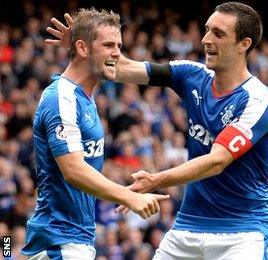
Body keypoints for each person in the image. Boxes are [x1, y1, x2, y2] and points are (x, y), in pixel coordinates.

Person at [47, 2, 268, 259]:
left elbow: (217, 161)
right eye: (207, 30)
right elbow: (122, 68)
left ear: (243, 44)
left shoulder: (257, 100)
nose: (205, 39)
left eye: (218, 34)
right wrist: (86, 49)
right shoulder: (192, 75)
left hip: (242, 232)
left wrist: (156, 180)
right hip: (188, 226)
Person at [22, 8, 169, 259]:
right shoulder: (62, 97)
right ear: (82, 48)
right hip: (60, 239)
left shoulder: (86, 96)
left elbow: (115, 63)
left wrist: (86, 46)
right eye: (109, 45)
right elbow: (74, 170)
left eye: (119, 45)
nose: (117, 53)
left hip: (76, 237)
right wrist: (127, 196)